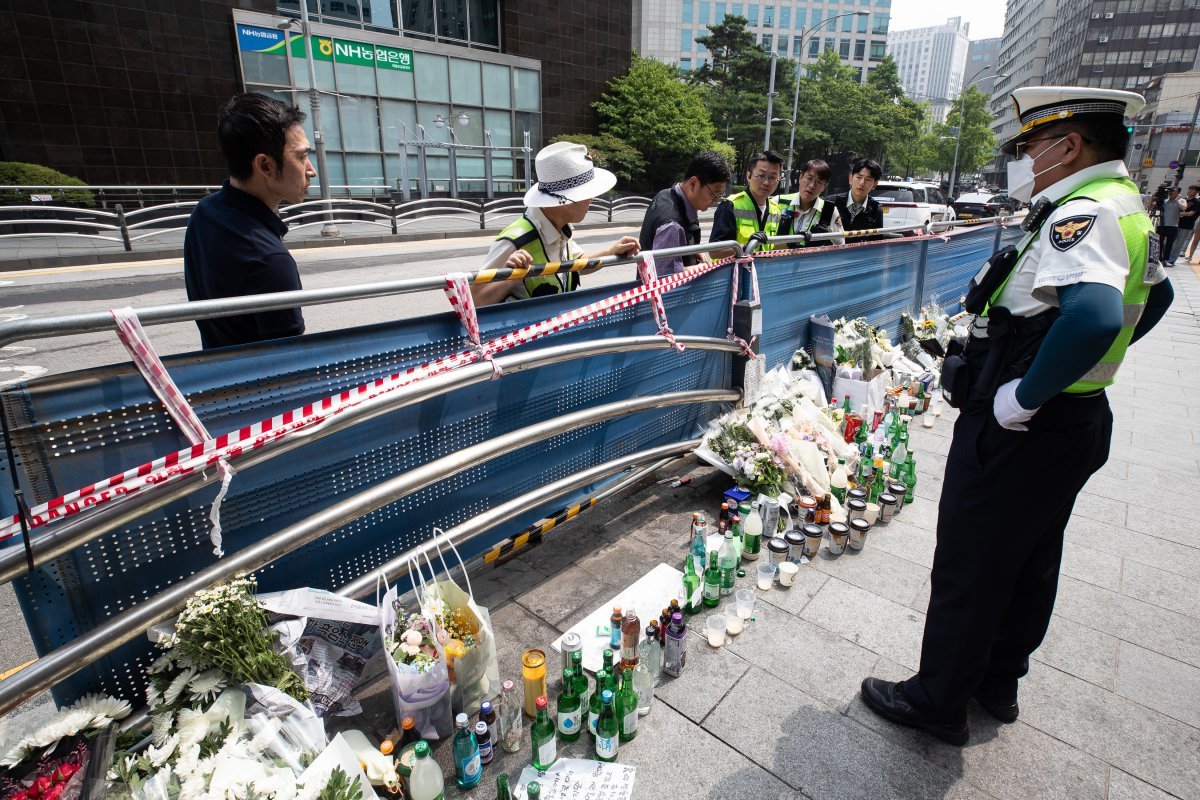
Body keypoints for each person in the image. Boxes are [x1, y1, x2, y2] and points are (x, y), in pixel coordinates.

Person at [860, 86, 1174, 746]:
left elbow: (1090, 316)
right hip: (1078, 421)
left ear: (1069, 144)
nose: (1027, 161)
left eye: (1033, 147)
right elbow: (1159, 295)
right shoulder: (1128, 207)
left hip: (1023, 429)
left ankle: (938, 699)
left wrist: (1026, 393)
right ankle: (997, 682)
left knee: (972, 560)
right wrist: (1088, 371)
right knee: (1030, 556)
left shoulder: (1081, 213)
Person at [184, 93, 315, 349]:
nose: (311, 169)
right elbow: (290, 361)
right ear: (265, 166)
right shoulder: (268, 260)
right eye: (301, 157)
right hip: (260, 386)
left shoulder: (205, 212)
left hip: (219, 371)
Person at [471, 142, 640, 306]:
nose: (591, 199)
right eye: (587, 194)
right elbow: (475, 300)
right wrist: (511, 278)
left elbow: (577, 264)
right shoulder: (516, 240)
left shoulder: (560, 227)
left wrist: (611, 252)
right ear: (566, 200)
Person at [639, 151, 732, 275]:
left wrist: (691, 249)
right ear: (693, 183)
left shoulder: (666, 194)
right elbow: (664, 275)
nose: (715, 201)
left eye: (720, 195)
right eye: (714, 194)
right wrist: (704, 268)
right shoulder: (672, 225)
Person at [708, 150, 784, 255]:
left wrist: (800, 240)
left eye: (772, 177)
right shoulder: (731, 205)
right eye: (761, 176)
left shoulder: (776, 210)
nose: (766, 182)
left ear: (779, 179)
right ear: (748, 176)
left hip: (763, 270)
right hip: (734, 271)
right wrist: (745, 247)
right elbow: (714, 251)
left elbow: (776, 247)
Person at [777, 159, 845, 246]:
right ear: (800, 177)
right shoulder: (778, 202)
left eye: (819, 182)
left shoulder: (829, 211)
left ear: (825, 186)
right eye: (809, 178)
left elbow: (841, 245)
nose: (812, 185)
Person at [818, 158, 883, 235]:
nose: (862, 183)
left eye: (868, 179)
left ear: (874, 184)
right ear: (850, 178)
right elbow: (820, 234)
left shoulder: (876, 210)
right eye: (859, 177)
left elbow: (877, 243)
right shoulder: (831, 202)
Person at [1158, 186, 1183, 266]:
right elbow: (1152, 207)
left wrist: (1176, 200)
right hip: (1163, 225)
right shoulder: (1165, 201)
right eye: (1170, 191)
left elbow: (1184, 208)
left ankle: (1166, 259)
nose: (1171, 193)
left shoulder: (1181, 201)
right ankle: (1160, 259)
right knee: (1160, 243)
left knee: (1169, 244)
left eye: (1173, 191)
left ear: (1178, 193)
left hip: (1173, 226)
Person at [1184, 185, 1200, 263]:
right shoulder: (1198, 200)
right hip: (1199, 222)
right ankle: (1190, 256)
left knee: (1195, 240)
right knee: (1195, 240)